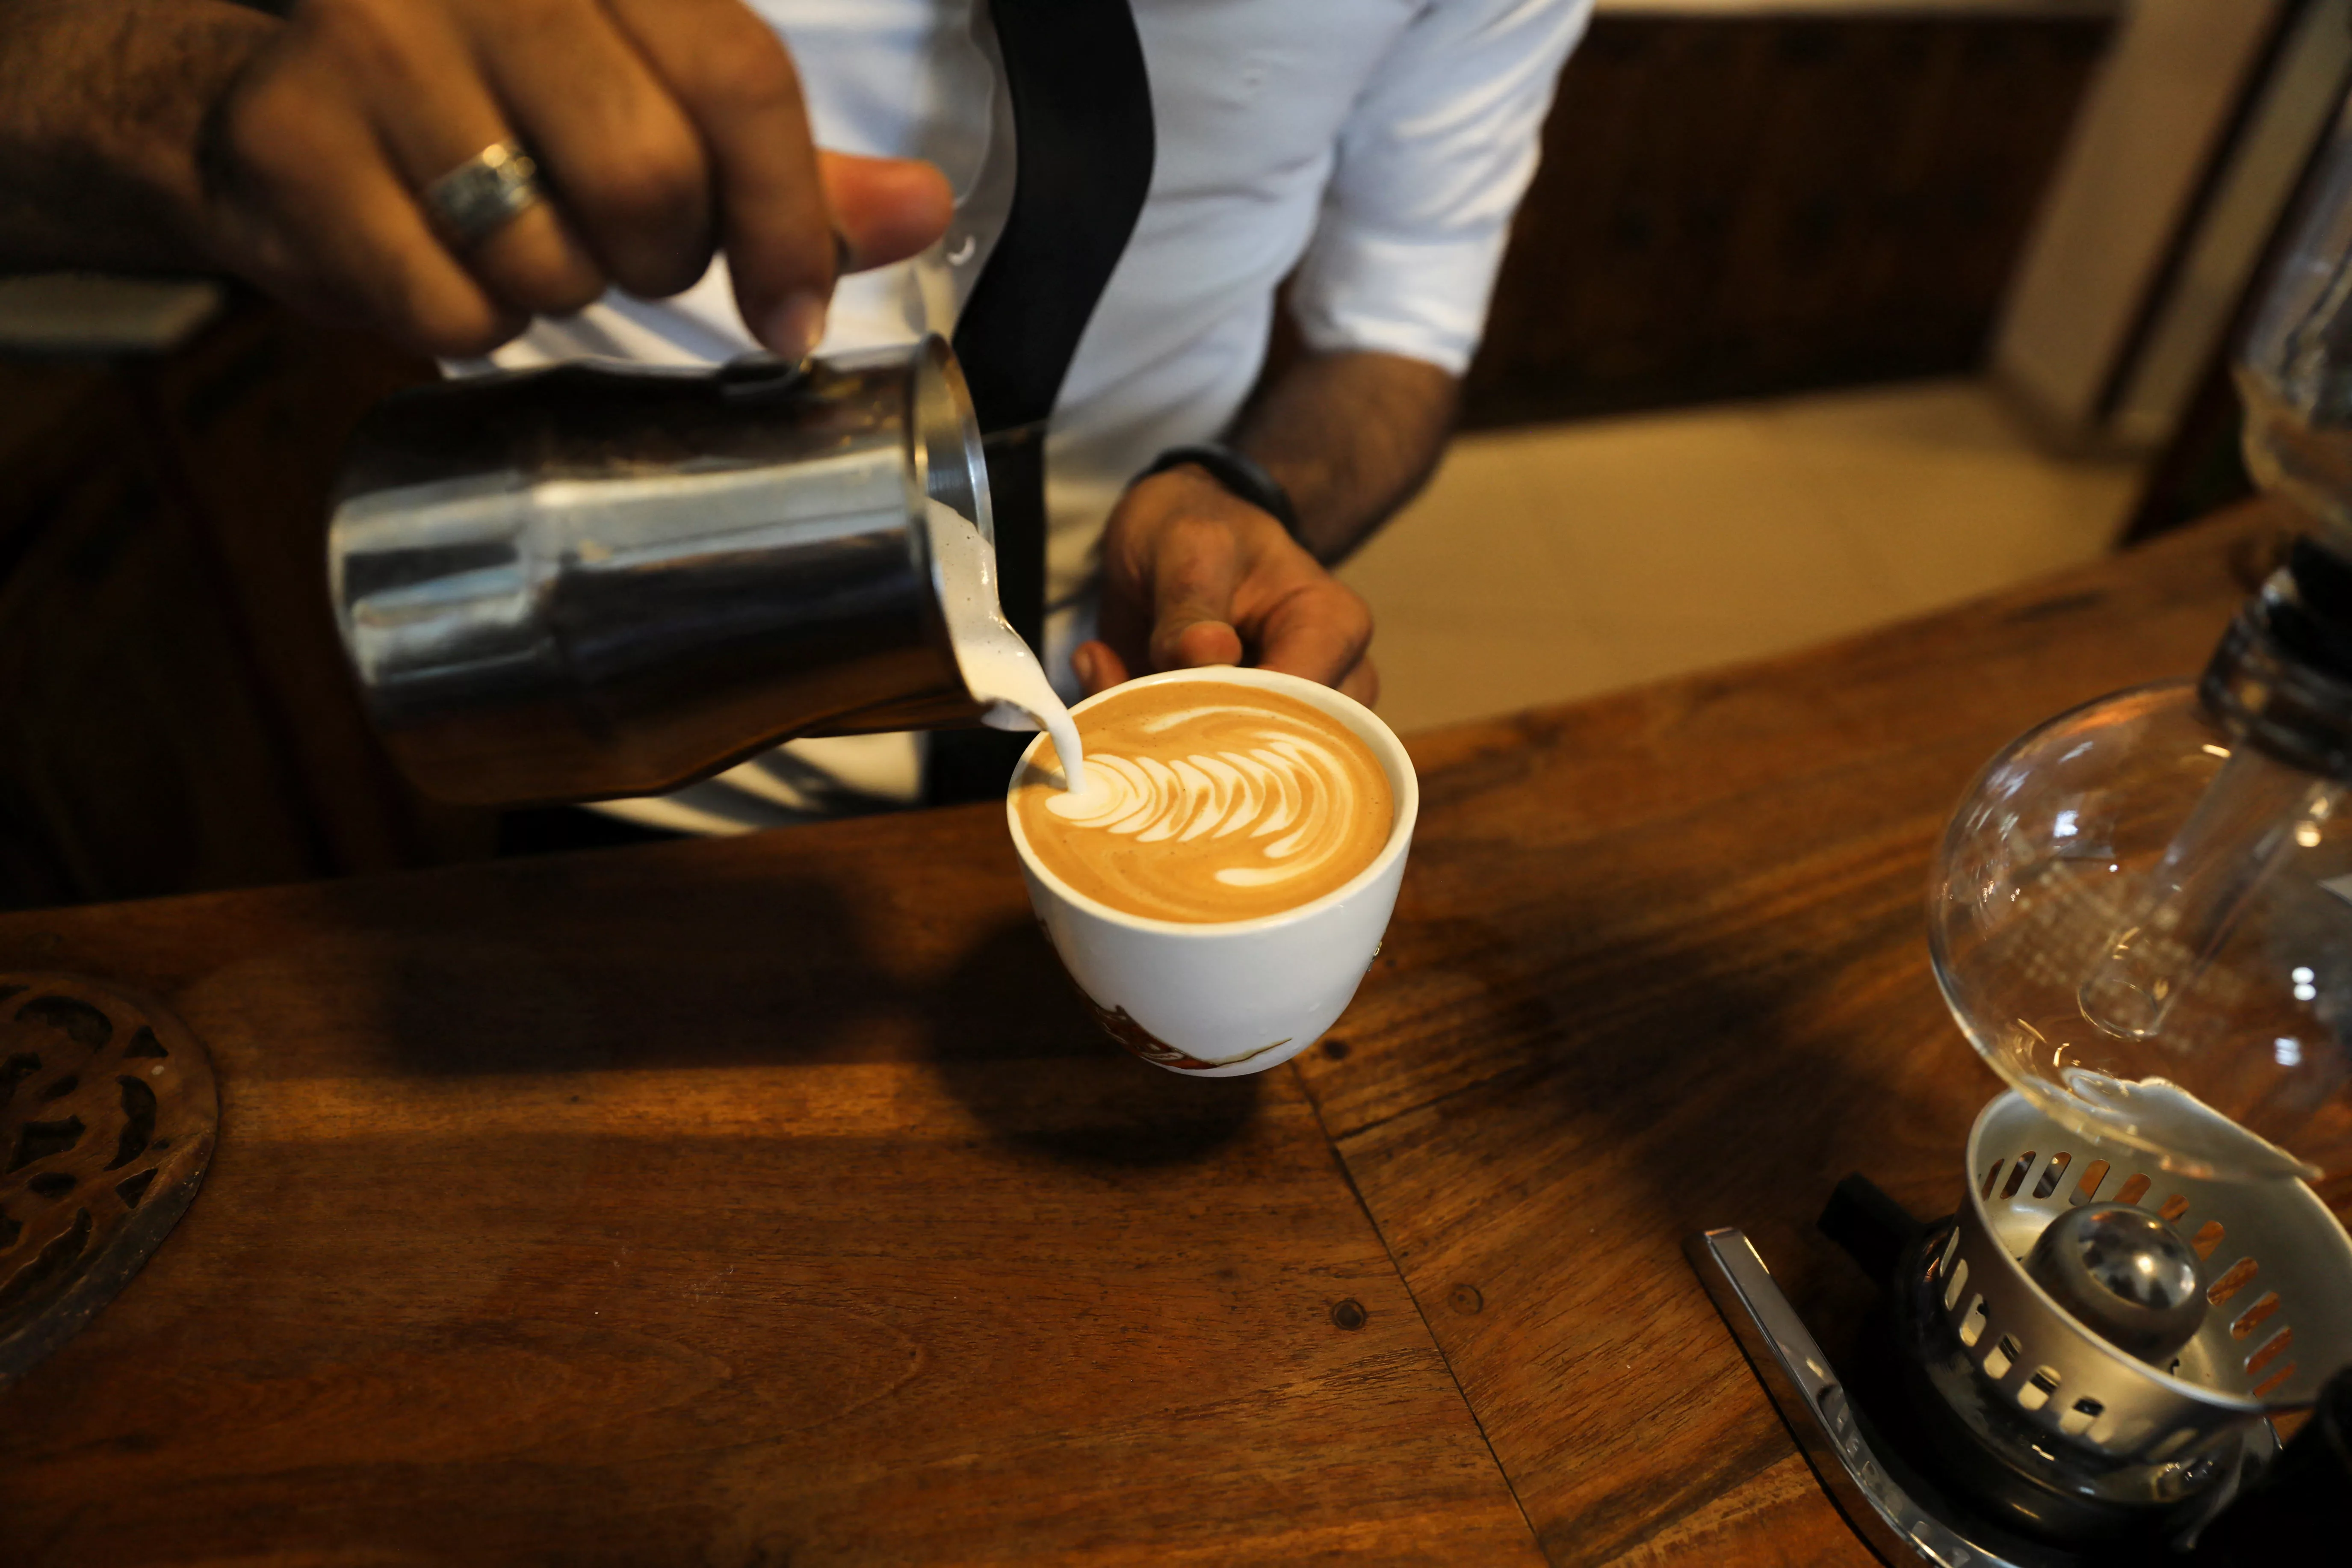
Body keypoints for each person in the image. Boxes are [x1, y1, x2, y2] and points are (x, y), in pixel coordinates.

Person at [0, 0, 1590, 829]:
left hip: (1123, 718)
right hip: (633, 741)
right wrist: (202, 109)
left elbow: (1397, 341)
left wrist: (1246, 485)